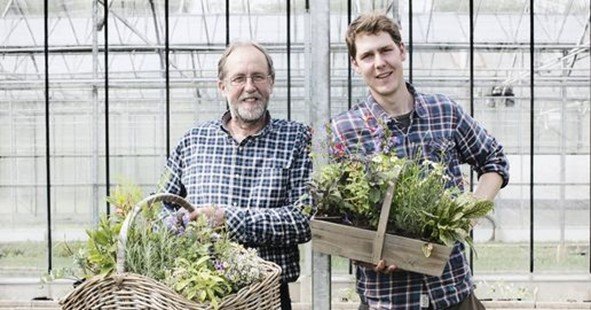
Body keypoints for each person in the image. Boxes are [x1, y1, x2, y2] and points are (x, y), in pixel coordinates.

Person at [329, 12, 510, 309]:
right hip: (388, 300)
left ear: (402, 51)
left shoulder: (444, 111)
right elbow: (336, 216)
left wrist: (470, 213)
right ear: (355, 64)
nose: (379, 63)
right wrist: (366, 252)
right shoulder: (345, 130)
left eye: (386, 50)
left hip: (452, 293)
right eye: (367, 55)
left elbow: (494, 159)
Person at [158, 41, 313, 310]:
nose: (250, 87)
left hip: (267, 297)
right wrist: (179, 224)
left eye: (258, 77)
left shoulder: (297, 139)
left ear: (271, 83)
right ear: (222, 86)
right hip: (196, 293)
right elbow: (159, 204)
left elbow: (304, 220)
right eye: (239, 78)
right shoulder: (194, 140)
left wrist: (227, 219)